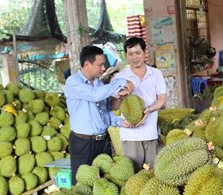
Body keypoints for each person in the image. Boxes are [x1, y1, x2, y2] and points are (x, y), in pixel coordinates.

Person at [64, 45, 134, 183]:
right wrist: (121, 81)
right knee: (82, 185)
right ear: (87, 64)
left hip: (103, 141)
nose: (103, 68)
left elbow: (105, 111)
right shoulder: (73, 82)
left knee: (106, 181)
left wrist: (120, 121)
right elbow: (94, 96)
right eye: (100, 65)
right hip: (83, 142)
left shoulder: (98, 84)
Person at [113, 37, 167, 171]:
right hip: (130, 133)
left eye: (138, 53)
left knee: (152, 173)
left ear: (144, 53)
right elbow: (114, 106)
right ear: (126, 55)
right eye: (130, 54)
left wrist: (148, 110)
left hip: (150, 132)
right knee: (133, 174)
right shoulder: (120, 77)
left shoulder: (156, 74)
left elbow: (161, 100)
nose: (134, 57)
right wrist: (121, 96)